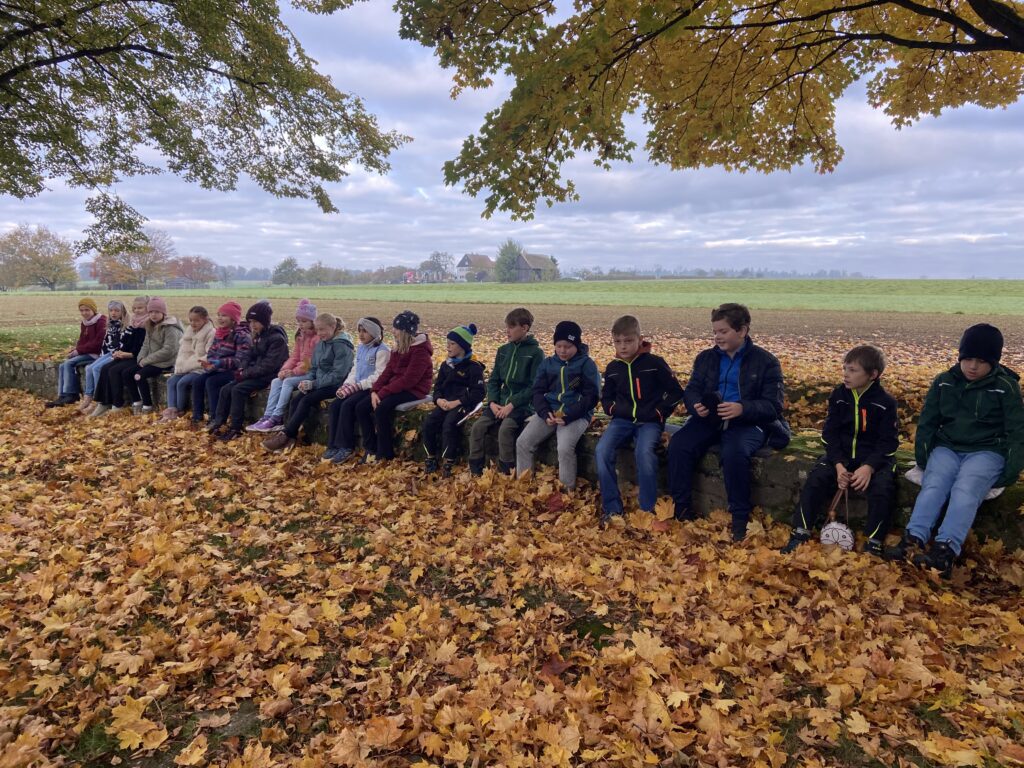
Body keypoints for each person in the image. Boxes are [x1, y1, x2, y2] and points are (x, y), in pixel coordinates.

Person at [885, 324, 1024, 577]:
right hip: (947, 447)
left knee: (965, 489)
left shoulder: (1005, 387)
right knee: (935, 485)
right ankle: (913, 538)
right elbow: (928, 421)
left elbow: (1016, 430)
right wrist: (924, 455)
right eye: (968, 359)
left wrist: (1011, 468)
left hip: (987, 451)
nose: (972, 366)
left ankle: (945, 550)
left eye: (981, 361)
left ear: (993, 362)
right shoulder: (944, 382)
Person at [668, 303, 788, 541]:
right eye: (715, 332)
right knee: (679, 445)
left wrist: (742, 408)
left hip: (748, 422)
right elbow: (691, 390)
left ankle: (740, 520)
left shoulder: (766, 362)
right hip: (709, 419)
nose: (717, 337)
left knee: (734, 453)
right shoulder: (705, 358)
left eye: (723, 332)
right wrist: (696, 406)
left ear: (742, 331)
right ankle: (682, 512)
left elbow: (773, 406)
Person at [781, 344, 898, 556]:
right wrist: (838, 466)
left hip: (874, 460)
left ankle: (874, 543)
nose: (846, 374)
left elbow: (888, 443)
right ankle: (800, 532)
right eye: (845, 368)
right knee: (816, 478)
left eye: (853, 370)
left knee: (883, 488)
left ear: (873, 374)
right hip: (840, 457)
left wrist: (868, 468)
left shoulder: (885, 403)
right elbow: (830, 434)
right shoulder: (839, 396)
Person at [595, 315, 684, 526]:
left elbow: (675, 393)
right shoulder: (613, 367)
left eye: (628, 341)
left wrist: (659, 413)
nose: (623, 346)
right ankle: (612, 508)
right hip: (621, 421)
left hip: (650, 422)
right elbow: (606, 396)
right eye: (618, 342)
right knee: (601, 450)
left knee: (644, 452)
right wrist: (612, 409)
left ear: (639, 339)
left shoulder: (654, 364)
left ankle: (647, 510)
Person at [515, 320, 600, 490]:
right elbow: (537, 391)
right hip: (550, 412)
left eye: (567, 346)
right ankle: (524, 485)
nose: (562, 350)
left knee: (564, 448)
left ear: (577, 345)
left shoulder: (586, 365)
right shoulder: (548, 364)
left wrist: (569, 414)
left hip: (576, 414)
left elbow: (592, 396)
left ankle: (566, 491)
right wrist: (545, 412)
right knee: (523, 442)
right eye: (559, 346)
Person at [467, 308, 544, 476]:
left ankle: (506, 472)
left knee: (506, 429)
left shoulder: (536, 353)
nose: (507, 331)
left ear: (524, 328)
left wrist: (512, 404)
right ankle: (475, 470)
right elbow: (494, 380)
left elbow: (534, 386)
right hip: (499, 403)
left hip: (522, 406)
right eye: (506, 326)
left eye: (511, 327)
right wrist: (493, 402)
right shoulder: (503, 351)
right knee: (478, 428)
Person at [262, 313, 354, 452]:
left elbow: (338, 375)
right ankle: (290, 437)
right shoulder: (321, 344)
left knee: (307, 400)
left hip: (336, 385)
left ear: (333, 327)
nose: (319, 333)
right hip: (320, 382)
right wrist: (307, 380)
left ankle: (285, 435)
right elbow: (314, 368)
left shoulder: (342, 346)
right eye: (317, 330)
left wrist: (314, 384)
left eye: (322, 329)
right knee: (297, 399)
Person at [357, 310, 433, 463]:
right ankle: (370, 448)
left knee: (381, 408)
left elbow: (409, 380)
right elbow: (389, 371)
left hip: (414, 390)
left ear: (405, 331)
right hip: (396, 386)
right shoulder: (398, 347)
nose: (393, 331)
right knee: (361, 407)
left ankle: (385, 453)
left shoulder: (420, 351)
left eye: (396, 329)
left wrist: (382, 393)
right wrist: (375, 391)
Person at [210, 300, 289, 441]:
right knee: (226, 389)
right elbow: (248, 355)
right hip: (254, 372)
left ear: (264, 322)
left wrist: (245, 374)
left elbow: (269, 365)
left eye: (256, 322)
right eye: (250, 321)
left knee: (238, 390)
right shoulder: (257, 336)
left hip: (269, 375)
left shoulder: (276, 339)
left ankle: (236, 427)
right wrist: (242, 368)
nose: (252, 325)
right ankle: (219, 423)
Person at [422, 324, 486, 476]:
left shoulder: (473, 367)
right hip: (445, 403)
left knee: (449, 424)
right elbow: (437, 388)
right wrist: (438, 400)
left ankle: (448, 460)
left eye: (452, 344)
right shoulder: (446, 365)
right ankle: (430, 457)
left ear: (463, 346)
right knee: (429, 422)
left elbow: (479, 392)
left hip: (462, 404)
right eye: (447, 344)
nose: (448, 347)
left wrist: (457, 402)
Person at [324, 317, 391, 464]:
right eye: (359, 331)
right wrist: (347, 385)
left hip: (371, 388)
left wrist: (359, 385)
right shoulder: (361, 348)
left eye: (365, 331)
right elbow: (355, 370)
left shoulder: (382, 351)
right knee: (336, 405)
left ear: (374, 332)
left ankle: (346, 446)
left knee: (349, 405)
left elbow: (379, 375)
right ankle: (333, 444)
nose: (361, 334)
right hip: (357, 385)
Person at [247, 299, 319, 432]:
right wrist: (285, 370)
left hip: (310, 373)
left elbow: (311, 362)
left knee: (287, 382)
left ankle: (277, 417)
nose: (301, 324)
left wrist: (293, 372)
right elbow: (295, 357)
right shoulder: (300, 336)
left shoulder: (316, 339)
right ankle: (267, 416)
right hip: (299, 371)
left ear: (312, 322)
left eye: (304, 321)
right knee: (276, 381)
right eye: (299, 321)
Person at [190, 301, 251, 425]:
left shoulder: (242, 335)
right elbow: (212, 352)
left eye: (224, 315)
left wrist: (220, 363)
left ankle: (215, 417)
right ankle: (197, 416)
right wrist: (210, 364)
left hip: (233, 371)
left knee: (212, 382)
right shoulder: (219, 333)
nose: (220, 318)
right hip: (218, 368)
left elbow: (240, 360)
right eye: (218, 315)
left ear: (233, 319)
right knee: (198, 380)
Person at [88, 296, 149, 417]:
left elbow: (144, 346)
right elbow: (127, 341)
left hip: (138, 357)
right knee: (105, 368)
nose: (137, 311)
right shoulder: (134, 322)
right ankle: (103, 402)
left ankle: (117, 404)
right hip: (127, 354)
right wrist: (120, 352)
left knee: (114, 370)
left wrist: (129, 354)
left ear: (147, 308)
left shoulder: (147, 324)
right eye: (135, 308)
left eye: (140, 308)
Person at [47, 298, 107, 407]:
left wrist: (79, 351)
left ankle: (71, 394)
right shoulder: (85, 323)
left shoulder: (101, 321)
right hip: (86, 352)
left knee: (69, 364)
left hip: (96, 354)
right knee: (62, 365)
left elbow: (98, 343)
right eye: (82, 310)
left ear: (93, 309)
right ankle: (62, 395)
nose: (84, 313)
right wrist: (76, 350)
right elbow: (82, 340)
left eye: (87, 310)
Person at [160, 306, 215, 422]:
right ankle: (171, 410)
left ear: (205, 320)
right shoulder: (189, 332)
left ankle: (179, 410)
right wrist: (181, 365)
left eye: (196, 320)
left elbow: (209, 354)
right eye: (191, 320)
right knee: (171, 381)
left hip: (199, 367)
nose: (193, 323)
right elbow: (183, 352)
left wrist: (190, 364)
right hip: (186, 366)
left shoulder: (211, 332)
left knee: (182, 383)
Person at [130, 297, 184, 414]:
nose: (153, 315)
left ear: (163, 313)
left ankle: (147, 406)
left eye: (156, 312)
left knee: (139, 375)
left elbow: (169, 350)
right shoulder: (150, 325)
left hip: (167, 361)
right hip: (153, 360)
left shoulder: (170, 328)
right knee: (128, 372)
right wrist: (140, 358)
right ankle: (136, 401)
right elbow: (145, 344)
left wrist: (147, 360)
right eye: (150, 312)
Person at [78, 300, 127, 413]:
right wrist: (101, 357)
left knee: (97, 368)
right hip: (107, 353)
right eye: (111, 311)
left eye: (116, 310)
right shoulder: (110, 324)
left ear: (122, 311)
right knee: (89, 368)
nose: (113, 313)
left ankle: (101, 400)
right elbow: (106, 343)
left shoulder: (124, 325)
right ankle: (89, 397)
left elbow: (122, 344)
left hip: (118, 353)